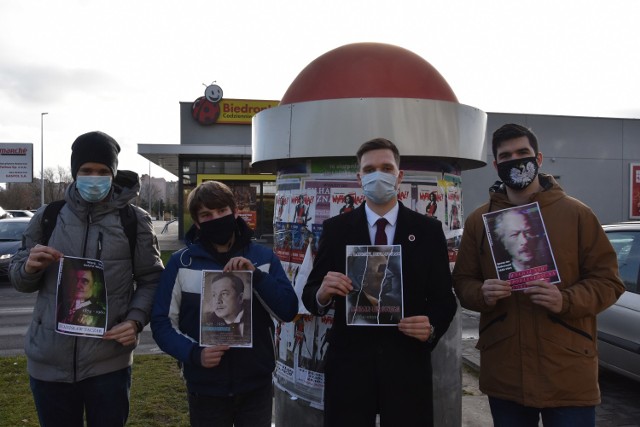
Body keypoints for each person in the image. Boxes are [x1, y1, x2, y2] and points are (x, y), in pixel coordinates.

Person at [452, 123, 625, 426]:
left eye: (523, 152)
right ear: (496, 164)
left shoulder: (577, 214)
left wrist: (566, 299)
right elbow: (463, 282)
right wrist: (482, 293)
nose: (515, 160)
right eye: (506, 156)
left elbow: (609, 282)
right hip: (506, 372)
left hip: (568, 371)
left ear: (539, 158)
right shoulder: (479, 221)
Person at [9, 131, 164, 427]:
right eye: (86, 171)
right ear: (74, 172)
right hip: (49, 363)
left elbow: (151, 280)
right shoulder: (48, 216)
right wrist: (28, 268)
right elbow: (20, 280)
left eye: (103, 171)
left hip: (108, 364)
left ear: (114, 173)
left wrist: (134, 321)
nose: (95, 178)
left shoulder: (135, 221)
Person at [301, 137, 457, 427]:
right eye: (369, 169)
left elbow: (444, 299)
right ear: (360, 178)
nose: (378, 174)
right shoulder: (336, 230)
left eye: (386, 167)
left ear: (399, 175)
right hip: (349, 367)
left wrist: (431, 327)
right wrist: (322, 293)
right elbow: (311, 294)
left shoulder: (427, 230)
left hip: (407, 363)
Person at [151, 180, 298, 427]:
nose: (216, 218)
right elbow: (161, 323)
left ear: (235, 213)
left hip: (256, 385)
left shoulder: (262, 257)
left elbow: (287, 310)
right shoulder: (181, 263)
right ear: (197, 223)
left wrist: (257, 277)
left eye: (221, 211)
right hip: (205, 387)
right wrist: (194, 354)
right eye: (206, 215)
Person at [201, 272, 251, 342]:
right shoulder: (207, 323)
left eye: (224, 294)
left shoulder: (253, 314)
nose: (218, 301)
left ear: (240, 298)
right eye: (214, 295)